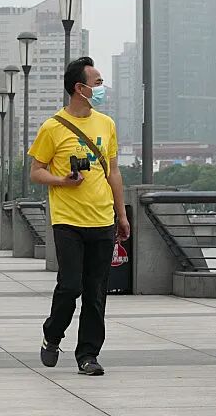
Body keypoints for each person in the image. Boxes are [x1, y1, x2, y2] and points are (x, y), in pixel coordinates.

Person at [29, 56, 128, 377]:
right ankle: (52, 334)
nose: (101, 88)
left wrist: (121, 214)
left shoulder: (106, 124)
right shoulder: (53, 127)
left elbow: (114, 173)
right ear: (79, 88)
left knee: (96, 292)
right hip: (68, 220)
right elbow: (36, 171)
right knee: (70, 286)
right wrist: (62, 180)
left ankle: (88, 354)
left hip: (102, 219)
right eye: (97, 83)